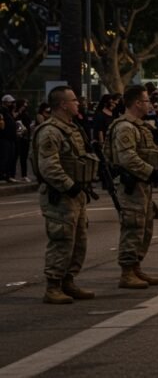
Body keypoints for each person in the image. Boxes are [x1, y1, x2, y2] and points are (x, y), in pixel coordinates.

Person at [31, 86, 97, 304]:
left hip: (75, 193)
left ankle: (68, 280)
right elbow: (49, 167)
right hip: (59, 195)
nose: (78, 103)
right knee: (62, 239)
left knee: (79, 241)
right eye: (74, 100)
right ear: (62, 104)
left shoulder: (72, 128)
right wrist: (70, 186)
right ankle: (53, 285)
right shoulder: (50, 131)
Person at [106, 86, 158, 287]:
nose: (149, 104)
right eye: (146, 100)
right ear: (137, 103)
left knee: (145, 227)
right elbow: (127, 158)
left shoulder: (140, 126)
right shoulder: (125, 127)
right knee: (133, 227)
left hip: (143, 184)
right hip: (131, 185)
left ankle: (136, 267)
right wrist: (152, 172)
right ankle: (127, 271)